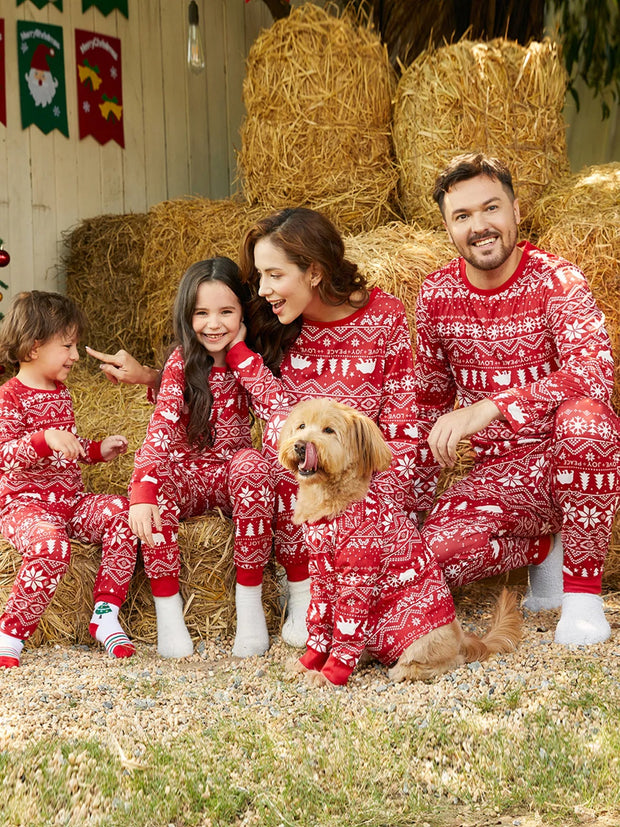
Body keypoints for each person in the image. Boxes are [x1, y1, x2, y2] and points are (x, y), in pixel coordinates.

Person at [88, 208, 418, 648]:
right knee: (274, 461)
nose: (261, 290)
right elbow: (210, 369)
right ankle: (301, 591)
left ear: (314, 271)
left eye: (273, 275)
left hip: (363, 490)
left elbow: (404, 427)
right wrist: (155, 377)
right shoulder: (273, 322)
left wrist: (389, 516)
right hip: (299, 485)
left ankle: (319, 588)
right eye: (259, 277)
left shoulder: (384, 317)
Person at [414, 152, 620, 646]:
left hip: (563, 457)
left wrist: (493, 405)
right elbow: (426, 408)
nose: (479, 226)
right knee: (428, 559)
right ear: (447, 227)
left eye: (491, 208)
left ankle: (583, 598)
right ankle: (537, 549)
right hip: (497, 477)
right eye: (462, 216)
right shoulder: (436, 296)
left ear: (516, 210)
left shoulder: (558, 281)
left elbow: (595, 372)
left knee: (588, 422)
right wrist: (403, 510)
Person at [127, 257, 275, 659]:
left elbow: (277, 409)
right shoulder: (181, 362)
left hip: (232, 477)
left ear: (244, 312)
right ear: (185, 315)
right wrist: (143, 486)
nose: (214, 324)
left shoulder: (252, 360)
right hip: (187, 477)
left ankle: (249, 605)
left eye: (226, 312)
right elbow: (160, 426)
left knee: (254, 463)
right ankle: (168, 613)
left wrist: (242, 353)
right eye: (201, 313)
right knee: (155, 495)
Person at [0, 291, 137, 668]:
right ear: (32, 348)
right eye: (68, 346)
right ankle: (10, 633)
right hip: (24, 506)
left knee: (124, 514)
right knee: (52, 546)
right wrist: (44, 440)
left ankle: (106, 615)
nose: (76, 356)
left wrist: (96, 451)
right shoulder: (8, 398)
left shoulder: (62, 395)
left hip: (71, 504)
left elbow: (67, 449)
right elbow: (6, 455)